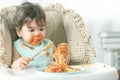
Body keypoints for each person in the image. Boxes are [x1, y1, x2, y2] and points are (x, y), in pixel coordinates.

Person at [11, 2, 69, 70]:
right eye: (32, 30)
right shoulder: (18, 46)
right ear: (19, 32)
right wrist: (17, 64)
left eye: (41, 29)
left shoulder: (49, 44)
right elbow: (12, 66)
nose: (37, 33)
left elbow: (61, 62)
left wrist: (63, 57)